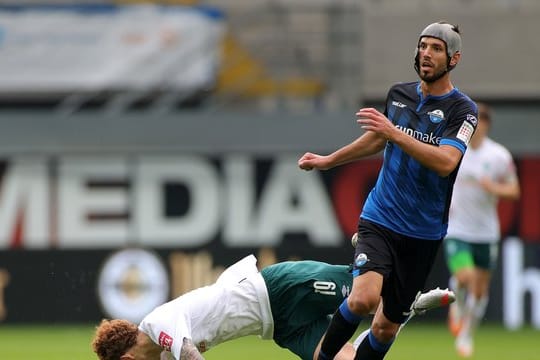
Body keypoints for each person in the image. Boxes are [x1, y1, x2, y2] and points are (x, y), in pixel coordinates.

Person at [297, 21, 477, 360]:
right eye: (423, 45)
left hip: (422, 232)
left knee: (385, 328)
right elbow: (378, 137)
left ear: (453, 59)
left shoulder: (462, 111)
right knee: (363, 298)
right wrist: (329, 160)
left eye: (436, 49)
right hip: (380, 215)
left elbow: (445, 162)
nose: (426, 53)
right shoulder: (399, 95)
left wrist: (394, 133)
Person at [91, 254, 453, 360]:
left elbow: (189, 354)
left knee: (367, 293)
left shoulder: (157, 325)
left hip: (279, 290)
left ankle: (369, 250)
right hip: (279, 328)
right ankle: (410, 310)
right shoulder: (161, 353)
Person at [444, 102, 520, 357]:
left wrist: (493, 188)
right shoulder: (455, 149)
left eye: (482, 122)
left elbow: (514, 190)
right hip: (457, 228)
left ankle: (466, 334)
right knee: (466, 277)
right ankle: (456, 291)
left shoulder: (499, 156)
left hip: (486, 232)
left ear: (487, 125)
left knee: (480, 292)